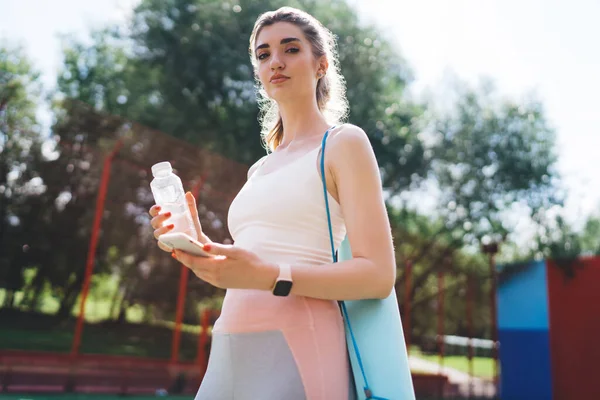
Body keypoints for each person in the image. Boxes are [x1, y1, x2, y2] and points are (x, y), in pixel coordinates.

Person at [149, 6, 396, 400]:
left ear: (321, 65)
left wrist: (271, 275)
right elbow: (252, 261)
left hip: (301, 342)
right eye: (263, 55)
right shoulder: (259, 169)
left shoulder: (344, 143)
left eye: (291, 49)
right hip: (230, 341)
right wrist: (196, 243)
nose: (275, 62)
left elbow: (378, 276)